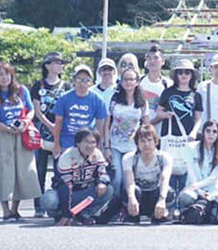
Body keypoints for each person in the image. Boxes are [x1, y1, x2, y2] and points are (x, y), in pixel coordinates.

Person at [0, 61, 41, 222]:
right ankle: (5, 211)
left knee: (22, 171)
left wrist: (24, 122)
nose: (4, 78)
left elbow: (31, 110)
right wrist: (9, 129)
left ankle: (15, 209)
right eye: (0, 75)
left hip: (22, 135)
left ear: (12, 75)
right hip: (4, 136)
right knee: (3, 171)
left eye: (7, 74)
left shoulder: (22, 91)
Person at [41, 128, 114, 225]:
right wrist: (66, 214)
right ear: (78, 143)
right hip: (65, 193)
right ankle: (59, 215)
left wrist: (102, 182)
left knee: (108, 189)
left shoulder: (97, 154)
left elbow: (104, 174)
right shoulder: (67, 156)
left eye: (93, 142)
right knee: (49, 199)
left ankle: (83, 215)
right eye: (86, 142)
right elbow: (65, 186)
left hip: (85, 192)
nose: (90, 146)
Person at [30, 52, 72, 217]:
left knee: (59, 169)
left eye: (61, 63)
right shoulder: (38, 86)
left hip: (60, 133)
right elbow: (37, 110)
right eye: (55, 62)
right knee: (39, 170)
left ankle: (57, 204)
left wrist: (58, 128)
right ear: (47, 65)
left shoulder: (66, 86)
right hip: (42, 132)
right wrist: (50, 125)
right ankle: (38, 206)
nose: (59, 65)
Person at [158, 59, 203, 199]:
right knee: (168, 171)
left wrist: (194, 132)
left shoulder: (196, 95)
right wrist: (166, 115)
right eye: (181, 72)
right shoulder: (168, 92)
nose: (184, 75)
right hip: (170, 136)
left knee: (187, 172)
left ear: (192, 76)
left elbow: (198, 118)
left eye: (187, 72)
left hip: (188, 138)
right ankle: (169, 204)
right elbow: (159, 112)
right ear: (176, 75)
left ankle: (183, 205)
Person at [103, 68, 149, 199]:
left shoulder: (142, 101)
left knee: (129, 178)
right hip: (115, 146)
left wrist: (146, 146)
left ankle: (127, 205)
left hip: (133, 147)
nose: (128, 82)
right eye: (125, 79)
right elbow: (107, 125)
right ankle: (114, 205)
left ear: (137, 82)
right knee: (117, 178)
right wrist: (106, 147)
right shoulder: (114, 99)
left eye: (131, 79)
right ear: (121, 82)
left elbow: (146, 125)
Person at [122, 124, 175, 224]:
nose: (146, 144)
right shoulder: (129, 158)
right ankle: (133, 215)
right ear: (137, 143)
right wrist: (132, 198)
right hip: (139, 197)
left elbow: (165, 178)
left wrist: (162, 200)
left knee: (169, 192)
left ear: (156, 142)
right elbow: (129, 181)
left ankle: (159, 215)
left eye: (149, 140)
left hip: (155, 195)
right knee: (129, 191)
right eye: (142, 141)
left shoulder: (164, 157)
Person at [52, 64, 108, 158]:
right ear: (73, 81)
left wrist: (98, 147)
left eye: (86, 80)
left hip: (88, 143)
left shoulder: (98, 100)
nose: (82, 83)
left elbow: (99, 126)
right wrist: (56, 144)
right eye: (79, 80)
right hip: (67, 141)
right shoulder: (64, 98)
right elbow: (58, 123)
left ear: (90, 82)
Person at [179, 120, 218, 224]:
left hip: (213, 191)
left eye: (214, 131)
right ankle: (193, 210)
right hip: (193, 189)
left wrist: (203, 191)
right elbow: (190, 171)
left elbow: (213, 178)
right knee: (185, 197)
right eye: (208, 131)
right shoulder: (191, 147)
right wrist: (199, 191)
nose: (211, 134)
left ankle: (204, 209)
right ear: (203, 132)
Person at [140, 45, 172, 125]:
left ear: (163, 61)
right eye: (149, 58)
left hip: (160, 132)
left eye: (156, 58)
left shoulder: (168, 84)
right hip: (139, 130)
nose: (152, 61)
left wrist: (150, 124)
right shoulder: (139, 81)